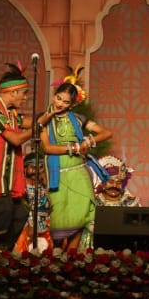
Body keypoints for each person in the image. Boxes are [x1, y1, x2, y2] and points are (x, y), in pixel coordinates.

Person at [0, 62, 57, 249]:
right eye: (24, 93)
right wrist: (38, 127)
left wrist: (52, 114)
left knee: (21, 212)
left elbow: (31, 121)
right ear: (13, 92)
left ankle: (3, 251)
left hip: (2, 176)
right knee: (5, 209)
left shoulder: (10, 114)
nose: (25, 98)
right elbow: (16, 139)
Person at [41, 73, 113, 251]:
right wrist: (73, 148)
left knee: (81, 213)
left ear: (72, 104)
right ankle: (57, 255)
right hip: (58, 174)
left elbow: (106, 133)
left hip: (79, 173)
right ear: (54, 95)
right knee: (59, 218)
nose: (60, 104)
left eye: (66, 102)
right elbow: (48, 148)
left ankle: (72, 257)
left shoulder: (79, 119)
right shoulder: (44, 119)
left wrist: (88, 141)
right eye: (59, 98)